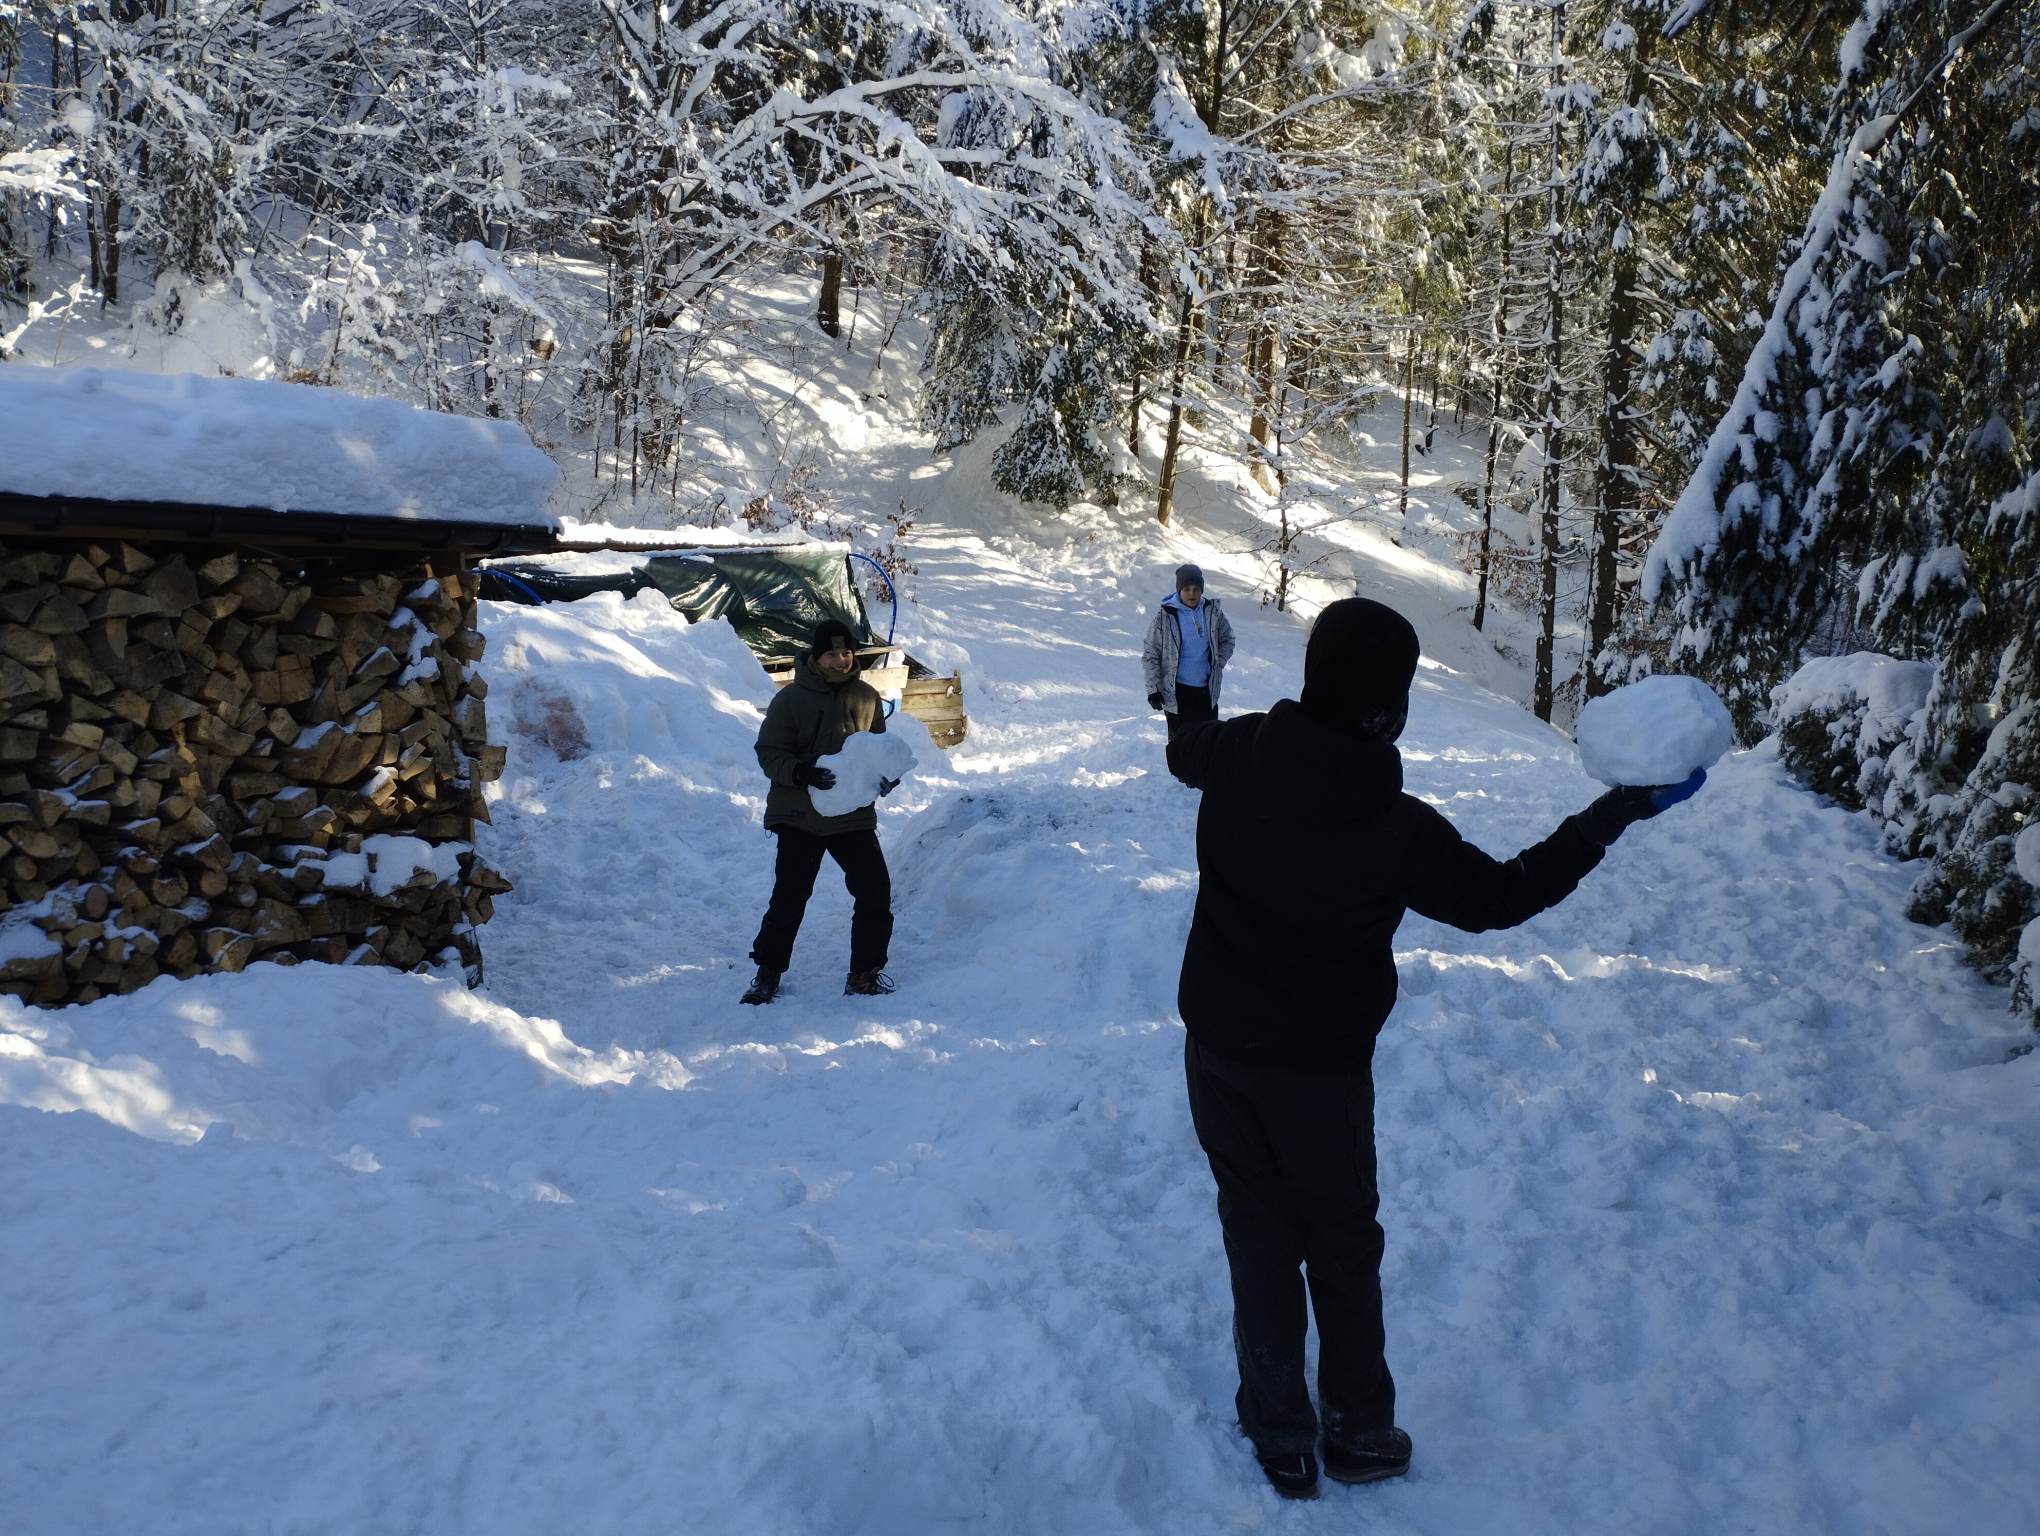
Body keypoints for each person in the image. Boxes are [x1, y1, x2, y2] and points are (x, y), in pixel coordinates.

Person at [1163, 597, 1704, 1501]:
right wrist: (1613, 815)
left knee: (1256, 1232)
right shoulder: (1394, 827)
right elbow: (1501, 898)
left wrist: (1188, 697)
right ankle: (1359, 1430)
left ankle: (1281, 1430)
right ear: (1389, 706)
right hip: (1320, 1076)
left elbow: (1187, 749)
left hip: (1217, 1047)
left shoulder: (1241, 750)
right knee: (1338, 1244)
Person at [742, 619, 900, 1004]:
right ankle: (767, 973)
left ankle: (864, 973)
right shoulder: (791, 699)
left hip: (851, 813)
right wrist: (800, 772)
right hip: (800, 814)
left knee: (875, 891)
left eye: (846, 652)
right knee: (791, 896)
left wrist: (884, 778)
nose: (841, 659)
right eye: (832, 653)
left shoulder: (866, 697)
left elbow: (875, 752)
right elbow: (769, 752)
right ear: (816, 656)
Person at [1142, 564, 1235, 729]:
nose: (1191, 593)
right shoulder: (1165, 616)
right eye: (1186, 589)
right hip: (1177, 694)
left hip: (1206, 692)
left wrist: (1216, 663)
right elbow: (1151, 654)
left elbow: (1227, 639)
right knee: (1181, 747)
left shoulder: (1213, 613)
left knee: (1208, 744)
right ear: (1179, 590)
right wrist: (1153, 689)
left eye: (1196, 589)